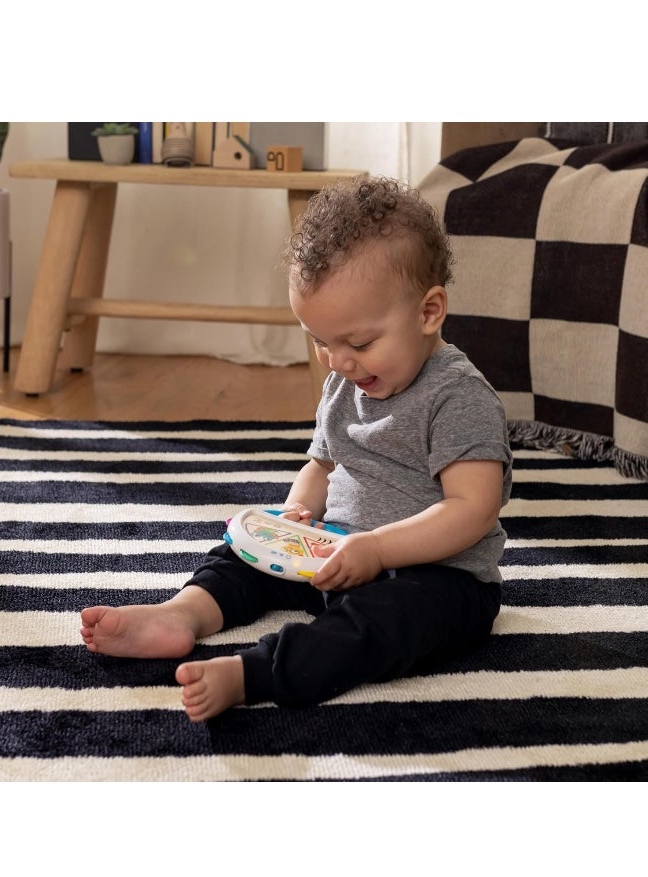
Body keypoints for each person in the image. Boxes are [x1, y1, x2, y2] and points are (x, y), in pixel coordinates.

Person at [80, 176, 512, 722]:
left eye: (358, 343)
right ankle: (181, 615)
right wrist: (296, 515)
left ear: (429, 312)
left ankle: (256, 672)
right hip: (336, 554)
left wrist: (376, 550)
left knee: (380, 626)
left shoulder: (459, 397)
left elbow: (472, 510)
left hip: (439, 579)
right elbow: (322, 465)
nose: (339, 361)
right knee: (240, 557)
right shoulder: (346, 382)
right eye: (321, 342)